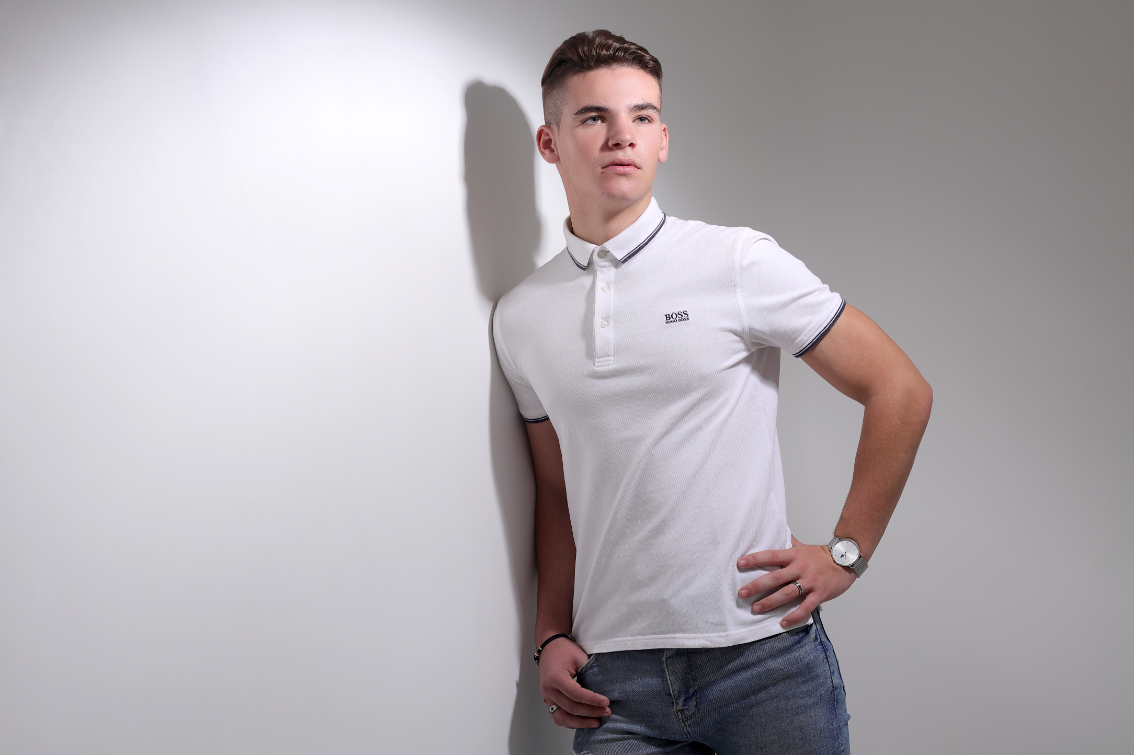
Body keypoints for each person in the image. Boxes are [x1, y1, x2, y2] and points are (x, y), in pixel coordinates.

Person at [491, 29, 932, 755]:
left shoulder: (734, 261)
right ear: (550, 142)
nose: (621, 136)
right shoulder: (520, 318)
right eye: (594, 117)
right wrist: (550, 632)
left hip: (766, 663)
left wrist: (846, 552)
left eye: (641, 116)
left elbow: (899, 388)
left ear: (662, 139)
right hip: (614, 685)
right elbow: (555, 489)